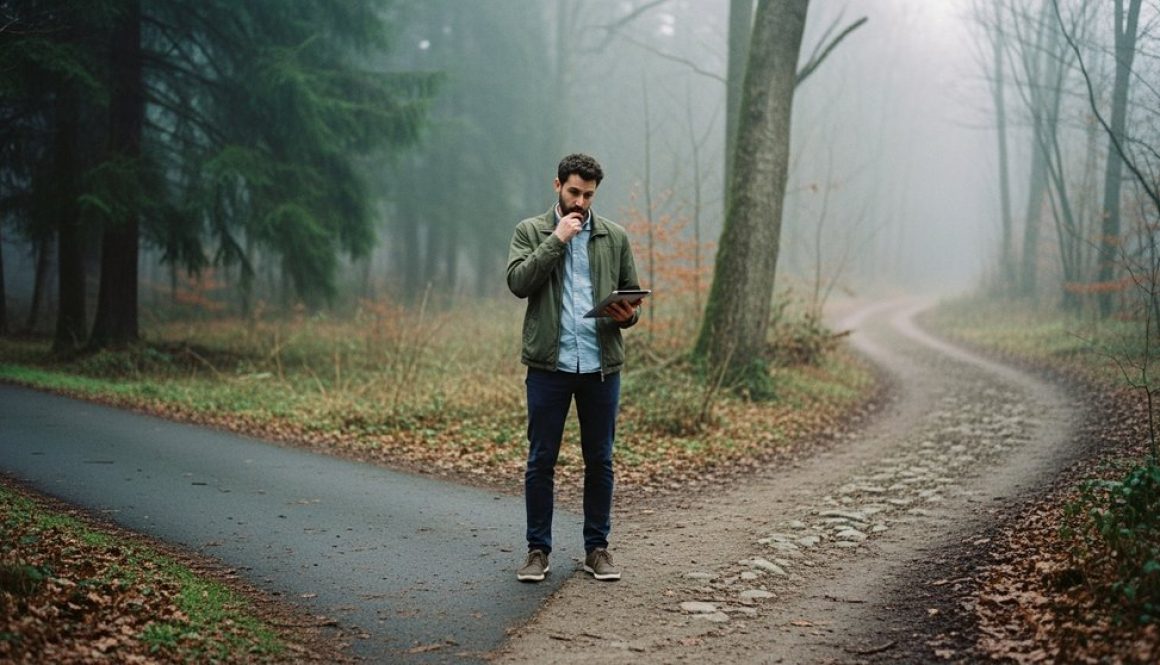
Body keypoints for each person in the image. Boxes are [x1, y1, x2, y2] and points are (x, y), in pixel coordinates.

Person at [505, 153, 642, 583]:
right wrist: (557, 239)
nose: (581, 202)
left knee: (600, 460)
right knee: (541, 460)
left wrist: (627, 316)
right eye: (574, 192)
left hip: (601, 366)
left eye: (588, 195)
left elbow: (631, 299)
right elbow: (518, 283)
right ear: (557, 186)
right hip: (549, 366)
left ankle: (597, 550)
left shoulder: (614, 236)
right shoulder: (531, 230)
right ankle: (537, 551)